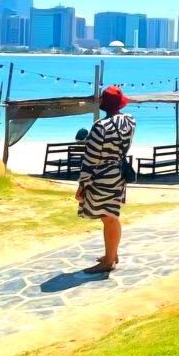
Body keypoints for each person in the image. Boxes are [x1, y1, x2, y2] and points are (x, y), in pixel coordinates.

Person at [76, 85, 137, 274]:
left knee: (108, 217)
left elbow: (91, 159)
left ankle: (109, 260)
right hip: (119, 172)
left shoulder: (100, 127)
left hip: (102, 176)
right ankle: (112, 254)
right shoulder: (130, 121)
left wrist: (83, 184)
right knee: (112, 215)